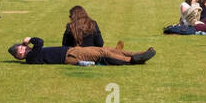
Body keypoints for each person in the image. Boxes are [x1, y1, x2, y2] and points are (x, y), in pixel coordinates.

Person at [9, 36, 155, 65]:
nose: (25, 47)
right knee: (102, 54)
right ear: (19, 55)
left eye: (23, 46)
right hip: (70, 55)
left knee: (105, 49)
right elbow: (39, 42)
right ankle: (132, 60)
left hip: (72, 50)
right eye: (22, 48)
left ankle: (138, 54)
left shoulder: (31, 54)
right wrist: (29, 40)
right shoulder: (30, 58)